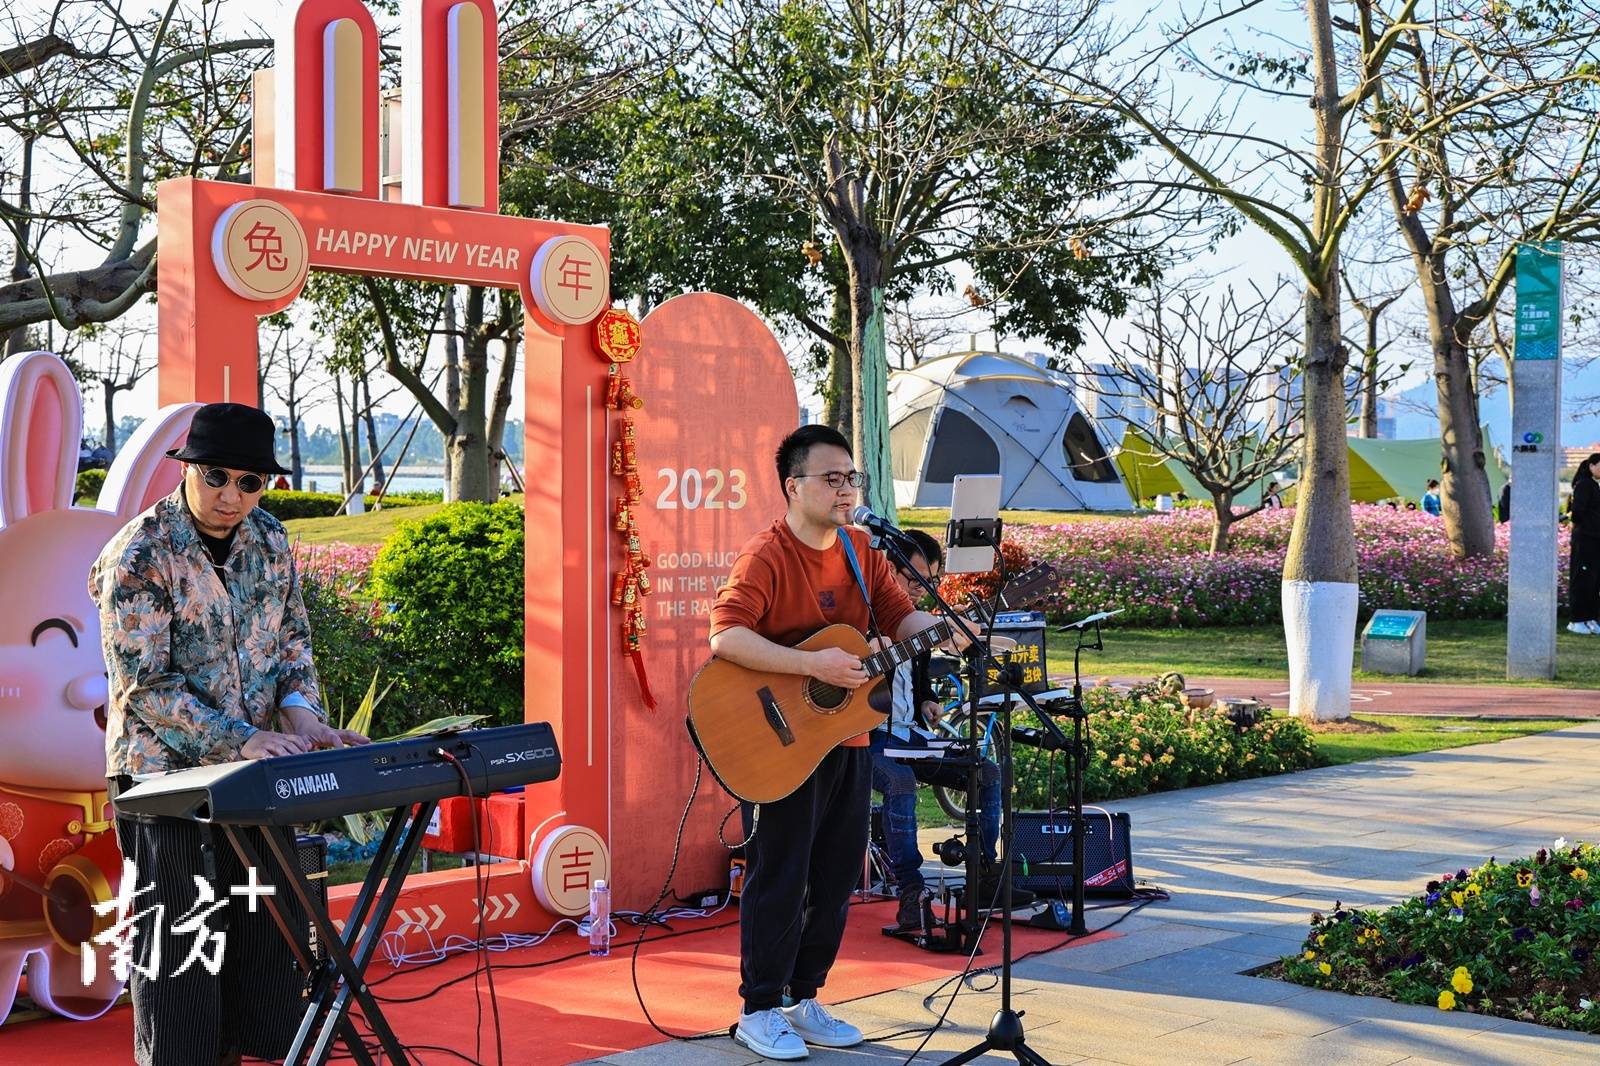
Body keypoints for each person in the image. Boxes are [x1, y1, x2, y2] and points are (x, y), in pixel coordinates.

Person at [91, 402, 369, 1066]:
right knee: (180, 941)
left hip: (256, 768)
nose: (231, 495)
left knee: (266, 926)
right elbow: (144, 686)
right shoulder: (139, 552)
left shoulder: (270, 540)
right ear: (188, 469)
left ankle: (277, 1048)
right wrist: (241, 737)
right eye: (217, 476)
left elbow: (294, 642)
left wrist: (303, 711)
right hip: (162, 776)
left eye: (250, 482)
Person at [710, 425, 955, 1061]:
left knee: (839, 871)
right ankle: (758, 1007)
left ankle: (804, 995)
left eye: (852, 477)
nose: (847, 489)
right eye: (833, 478)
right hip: (781, 741)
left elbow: (902, 617)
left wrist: (952, 629)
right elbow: (727, 638)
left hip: (847, 737)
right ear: (795, 487)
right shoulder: (767, 555)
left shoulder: (862, 548)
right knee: (782, 872)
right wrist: (812, 668)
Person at [867, 529, 1007, 931]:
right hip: (869, 738)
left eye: (929, 582)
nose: (920, 591)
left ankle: (984, 874)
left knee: (987, 771)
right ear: (889, 570)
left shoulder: (919, 623)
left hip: (911, 736)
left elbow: (919, 672)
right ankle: (912, 890)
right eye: (914, 580)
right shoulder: (860, 610)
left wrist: (926, 698)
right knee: (899, 782)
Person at [1567, 453, 1600, 635]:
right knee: (1582, 578)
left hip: (1595, 539)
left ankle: (1590, 618)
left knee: (1594, 580)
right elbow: (1578, 512)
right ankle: (1577, 619)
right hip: (1585, 539)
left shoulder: (1594, 486)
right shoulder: (1584, 485)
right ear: (1591, 466)